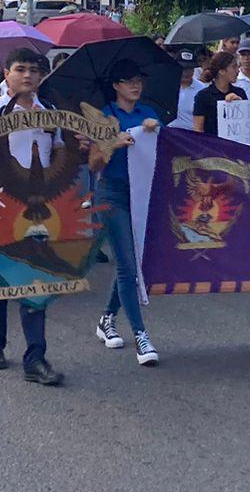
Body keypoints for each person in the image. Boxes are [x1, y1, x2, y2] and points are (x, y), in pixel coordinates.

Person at [0, 47, 64, 385]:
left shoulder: (50, 115)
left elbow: (59, 162)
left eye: (35, 70)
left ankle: (36, 357)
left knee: (35, 283)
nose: (28, 75)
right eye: (21, 69)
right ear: (6, 73)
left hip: (36, 213)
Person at [89, 59, 161, 365]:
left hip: (143, 194)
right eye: (129, 81)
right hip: (113, 194)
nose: (136, 85)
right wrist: (112, 144)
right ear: (116, 85)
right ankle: (141, 336)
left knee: (135, 265)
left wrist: (155, 130)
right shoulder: (105, 116)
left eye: (139, 80)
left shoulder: (149, 114)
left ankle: (107, 318)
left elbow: (165, 150)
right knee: (127, 266)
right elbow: (93, 164)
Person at [192, 52, 245, 137]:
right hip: (212, 147)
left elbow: (247, 123)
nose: (238, 70)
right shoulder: (203, 96)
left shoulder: (240, 93)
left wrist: (239, 104)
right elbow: (198, 129)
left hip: (236, 146)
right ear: (221, 71)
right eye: (234, 67)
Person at [169, 48, 206, 130]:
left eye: (190, 68)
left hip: (191, 136)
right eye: (184, 69)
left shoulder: (202, 89)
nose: (187, 72)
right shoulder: (166, 87)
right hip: (169, 134)